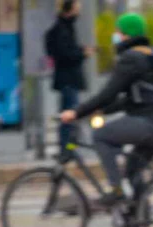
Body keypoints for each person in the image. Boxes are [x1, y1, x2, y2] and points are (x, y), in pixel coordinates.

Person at [59, 13, 153, 214]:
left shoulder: (131, 58)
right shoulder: (151, 55)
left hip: (149, 124)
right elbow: (131, 99)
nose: (115, 36)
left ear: (126, 35)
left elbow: (108, 92)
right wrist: (101, 110)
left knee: (101, 135)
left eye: (118, 32)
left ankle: (116, 191)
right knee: (133, 171)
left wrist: (76, 112)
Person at [46, 0, 91, 153]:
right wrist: (82, 53)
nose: (79, 11)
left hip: (67, 79)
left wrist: (79, 51)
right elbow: (65, 54)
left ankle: (69, 148)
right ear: (71, 9)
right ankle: (67, 149)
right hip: (68, 79)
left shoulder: (65, 28)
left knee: (69, 115)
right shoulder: (62, 29)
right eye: (77, 7)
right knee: (69, 116)